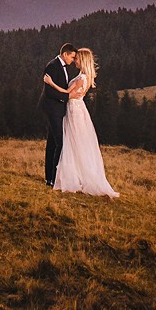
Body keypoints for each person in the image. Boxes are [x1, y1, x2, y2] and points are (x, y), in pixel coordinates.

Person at [53, 47, 118, 198]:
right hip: (76, 109)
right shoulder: (85, 77)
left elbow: (68, 95)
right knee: (76, 143)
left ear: (82, 60)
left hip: (74, 110)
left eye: (77, 59)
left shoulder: (82, 78)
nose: (74, 61)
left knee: (74, 142)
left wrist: (51, 84)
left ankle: (76, 178)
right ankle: (77, 176)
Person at [40, 44, 78, 185]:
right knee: (60, 143)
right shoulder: (52, 66)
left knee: (52, 143)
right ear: (66, 54)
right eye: (72, 57)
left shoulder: (62, 67)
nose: (73, 61)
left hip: (58, 109)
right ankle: (54, 178)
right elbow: (49, 91)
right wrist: (67, 98)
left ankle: (49, 178)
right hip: (52, 109)